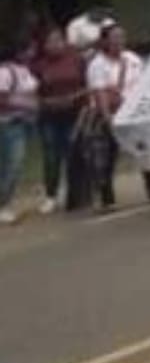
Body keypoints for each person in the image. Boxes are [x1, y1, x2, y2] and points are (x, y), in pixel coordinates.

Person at [86, 22, 150, 210]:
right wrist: (107, 118)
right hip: (112, 113)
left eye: (122, 37)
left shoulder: (132, 58)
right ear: (104, 41)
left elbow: (144, 82)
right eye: (114, 37)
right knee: (106, 158)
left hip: (135, 113)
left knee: (147, 151)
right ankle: (107, 199)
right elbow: (100, 94)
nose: (119, 41)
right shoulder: (97, 65)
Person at [30, 27, 86, 214]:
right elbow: (31, 92)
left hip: (73, 113)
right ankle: (50, 195)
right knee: (51, 156)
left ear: (64, 41)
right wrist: (45, 102)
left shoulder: (77, 59)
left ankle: (73, 191)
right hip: (49, 116)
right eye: (49, 42)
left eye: (57, 40)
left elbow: (89, 85)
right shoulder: (38, 65)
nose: (54, 45)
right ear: (44, 45)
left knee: (72, 154)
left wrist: (73, 97)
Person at [0, 44, 39, 225]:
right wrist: (26, 106)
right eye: (29, 49)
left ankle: (8, 200)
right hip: (9, 123)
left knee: (16, 163)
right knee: (12, 164)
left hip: (25, 122)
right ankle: (3, 204)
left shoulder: (25, 70)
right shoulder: (6, 71)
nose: (32, 52)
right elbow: (2, 100)